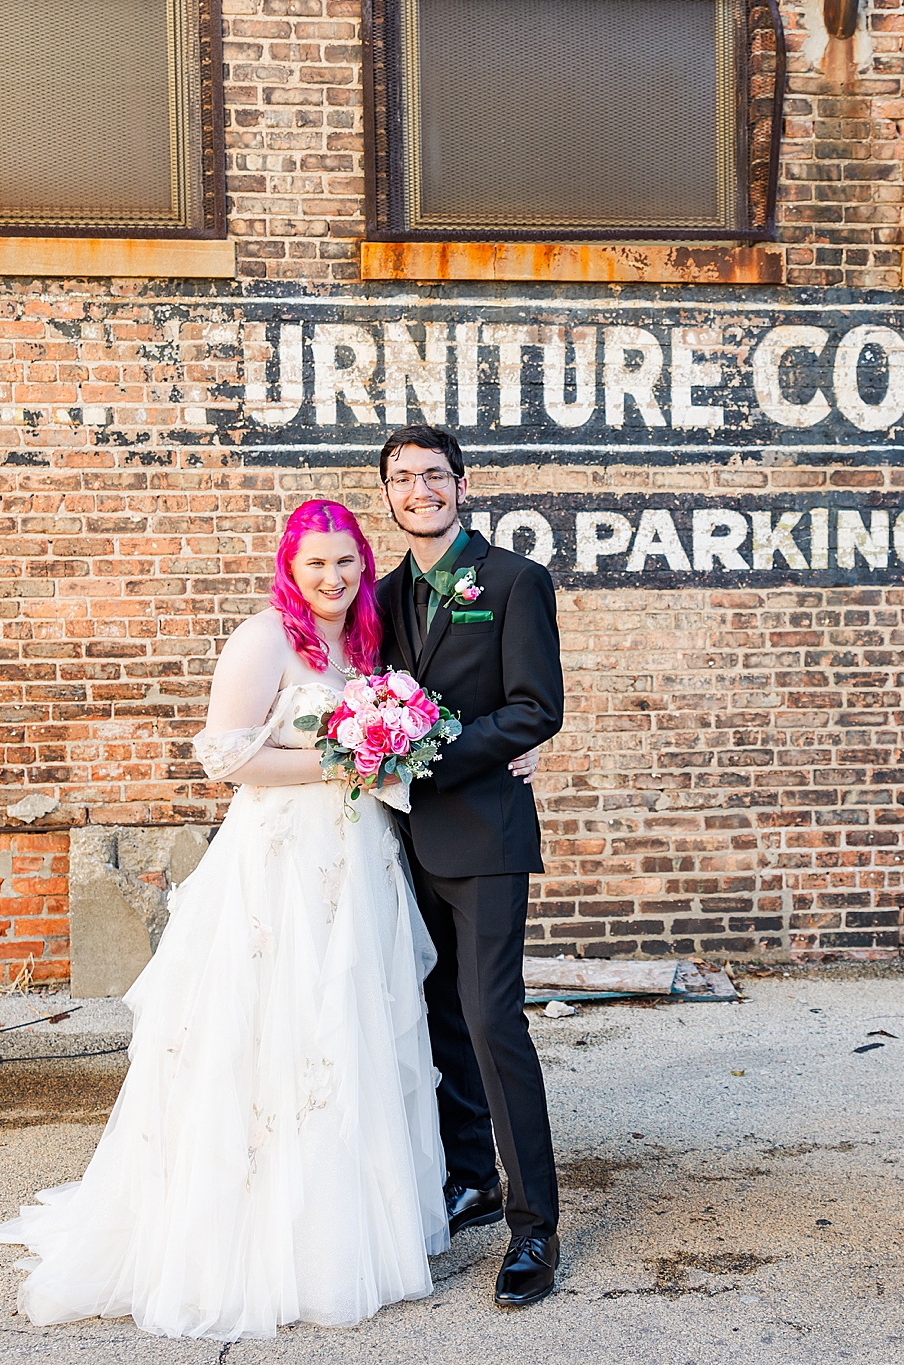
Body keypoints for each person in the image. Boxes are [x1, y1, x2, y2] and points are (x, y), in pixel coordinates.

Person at [0, 499, 535, 1340]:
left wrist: (505, 744)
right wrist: (346, 756)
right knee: (276, 1030)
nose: (334, 578)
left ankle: (350, 1224)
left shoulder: (370, 637)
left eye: (346, 562)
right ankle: (259, 1231)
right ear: (290, 564)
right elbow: (227, 753)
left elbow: (443, 711)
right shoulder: (265, 637)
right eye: (317, 564)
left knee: (355, 1031)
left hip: (366, 860)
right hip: (281, 863)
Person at [374, 425, 566, 1309]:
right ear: (387, 494)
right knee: (439, 1018)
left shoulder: (516, 580)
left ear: (463, 484)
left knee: (493, 1023)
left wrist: (431, 753)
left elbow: (536, 709)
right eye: (404, 477)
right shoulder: (377, 597)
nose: (421, 489)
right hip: (401, 841)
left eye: (435, 475)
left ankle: (535, 1227)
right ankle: (471, 1178)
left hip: (485, 837)